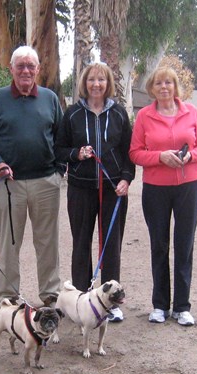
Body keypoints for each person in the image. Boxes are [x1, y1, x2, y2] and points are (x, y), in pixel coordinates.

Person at [0, 46, 63, 307]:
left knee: (47, 241)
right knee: (9, 243)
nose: (26, 70)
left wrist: (59, 171)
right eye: (20, 65)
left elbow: (61, 138)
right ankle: (8, 296)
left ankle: (50, 294)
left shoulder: (50, 99)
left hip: (46, 182)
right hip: (8, 183)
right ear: (11, 69)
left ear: (38, 69)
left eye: (31, 66)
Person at [129, 66, 197, 326]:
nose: (164, 87)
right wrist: (159, 157)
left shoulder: (192, 112)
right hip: (156, 188)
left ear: (176, 87)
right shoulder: (144, 116)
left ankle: (182, 306)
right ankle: (160, 305)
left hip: (189, 186)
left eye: (169, 83)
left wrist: (190, 156)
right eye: (158, 84)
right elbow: (134, 153)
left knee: (184, 245)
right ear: (152, 89)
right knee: (159, 245)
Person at [55, 62, 134, 322]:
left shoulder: (119, 113)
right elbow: (59, 149)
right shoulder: (73, 114)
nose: (96, 84)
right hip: (80, 188)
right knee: (81, 243)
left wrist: (126, 179)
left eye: (101, 80)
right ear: (84, 83)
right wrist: (76, 154)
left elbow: (128, 152)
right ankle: (79, 299)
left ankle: (112, 302)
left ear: (108, 83)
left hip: (113, 189)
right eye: (91, 80)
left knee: (111, 245)